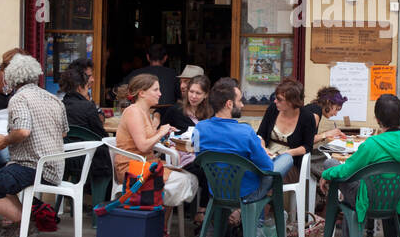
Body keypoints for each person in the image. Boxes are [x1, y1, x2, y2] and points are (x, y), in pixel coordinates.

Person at [0, 54, 69, 237]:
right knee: (2, 177)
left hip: (33, 167)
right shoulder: (53, 99)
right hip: (55, 167)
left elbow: (22, 131)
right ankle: (22, 222)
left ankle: (25, 223)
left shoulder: (19, 99)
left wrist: (5, 141)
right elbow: (62, 134)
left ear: (12, 78)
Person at [321, 94, 400, 237]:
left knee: (331, 166)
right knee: (365, 181)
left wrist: (326, 174)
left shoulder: (371, 144)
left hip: (369, 199)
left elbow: (347, 170)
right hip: (399, 198)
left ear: (377, 119)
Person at [114, 73, 198, 210]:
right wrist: (161, 132)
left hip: (147, 163)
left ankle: (161, 224)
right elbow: (142, 145)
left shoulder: (145, 111)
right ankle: (158, 222)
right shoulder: (133, 112)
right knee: (183, 181)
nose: (160, 94)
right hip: (131, 167)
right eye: (156, 90)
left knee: (191, 178)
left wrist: (164, 132)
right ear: (142, 93)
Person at [194, 77, 284, 200]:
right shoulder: (245, 132)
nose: (242, 104)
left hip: (216, 191)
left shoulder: (199, 128)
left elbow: (199, 159)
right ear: (229, 104)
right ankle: (259, 214)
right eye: (240, 100)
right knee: (286, 159)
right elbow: (267, 167)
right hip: (246, 193)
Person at [58, 59, 111, 191]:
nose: (91, 81)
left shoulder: (60, 104)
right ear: (80, 84)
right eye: (88, 78)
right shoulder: (86, 106)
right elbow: (102, 137)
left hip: (64, 158)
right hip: (88, 161)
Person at [256, 78, 315, 181]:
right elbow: (261, 134)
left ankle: (261, 195)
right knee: (249, 170)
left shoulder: (307, 117)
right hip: (267, 157)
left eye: (279, 99)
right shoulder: (273, 109)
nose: (275, 101)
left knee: (272, 176)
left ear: (292, 102)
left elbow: (307, 146)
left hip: (291, 162)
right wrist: (263, 148)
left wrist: (287, 154)